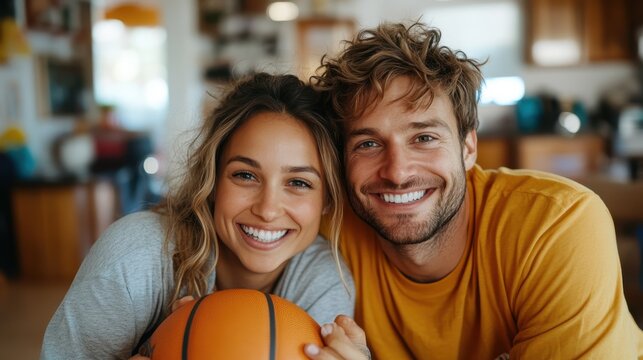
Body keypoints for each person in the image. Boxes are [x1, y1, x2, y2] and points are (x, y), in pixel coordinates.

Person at [305, 21, 643, 359]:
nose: (397, 172)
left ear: (468, 147)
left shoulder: (556, 225)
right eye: (368, 144)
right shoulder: (325, 229)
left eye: (424, 138)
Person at [41, 73, 354, 359]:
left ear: (327, 198)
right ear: (212, 179)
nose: (268, 209)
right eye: (245, 175)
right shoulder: (134, 258)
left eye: (299, 183)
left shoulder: (325, 280)